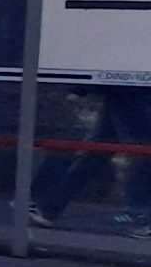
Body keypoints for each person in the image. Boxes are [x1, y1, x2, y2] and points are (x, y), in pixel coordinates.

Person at [31, 85, 151, 239]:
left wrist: (80, 87)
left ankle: (49, 208)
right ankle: (139, 217)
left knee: (103, 153)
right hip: (129, 90)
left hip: (127, 90)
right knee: (130, 152)